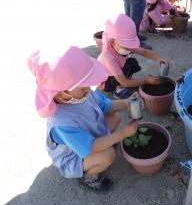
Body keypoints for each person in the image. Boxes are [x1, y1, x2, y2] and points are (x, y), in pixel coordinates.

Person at [28, 45, 139, 192]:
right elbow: (90, 147)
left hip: (86, 135)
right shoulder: (61, 122)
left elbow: (106, 106)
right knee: (107, 155)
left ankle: (104, 144)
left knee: (114, 117)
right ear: (60, 93)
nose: (89, 89)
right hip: (73, 154)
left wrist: (126, 103)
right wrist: (121, 135)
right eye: (83, 88)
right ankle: (88, 176)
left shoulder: (81, 94)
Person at [97, 13, 170, 99]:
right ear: (112, 42)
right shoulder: (108, 59)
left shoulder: (122, 46)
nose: (130, 50)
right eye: (126, 47)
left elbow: (144, 52)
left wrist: (158, 58)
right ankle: (119, 90)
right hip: (106, 81)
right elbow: (125, 82)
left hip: (116, 69)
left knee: (132, 62)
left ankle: (126, 79)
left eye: (130, 46)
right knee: (124, 79)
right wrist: (146, 80)